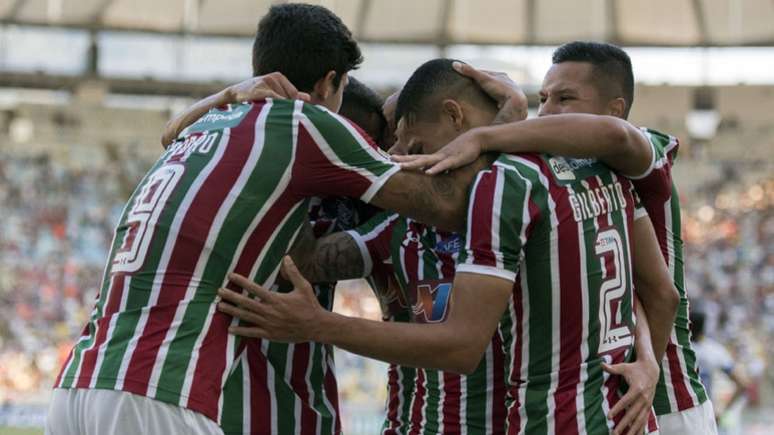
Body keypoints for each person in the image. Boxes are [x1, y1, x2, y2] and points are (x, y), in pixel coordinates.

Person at [47, 5, 491, 435]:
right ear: (328, 83)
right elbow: (449, 206)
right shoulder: (308, 124)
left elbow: (170, 134)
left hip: (79, 383)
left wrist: (225, 94)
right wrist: (502, 124)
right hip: (160, 387)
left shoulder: (207, 126)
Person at [217, 58, 679, 435]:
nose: (397, 154)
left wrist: (649, 363)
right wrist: (292, 162)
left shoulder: (528, 192)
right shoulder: (398, 227)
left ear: (455, 116)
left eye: (410, 138)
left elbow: (630, 294)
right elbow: (309, 262)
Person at [396, 41, 716, 434]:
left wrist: (485, 136)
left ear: (615, 109)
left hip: (660, 397)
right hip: (627, 401)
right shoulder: (584, 177)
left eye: (565, 98)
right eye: (542, 98)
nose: (546, 111)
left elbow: (660, 295)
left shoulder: (640, 156)